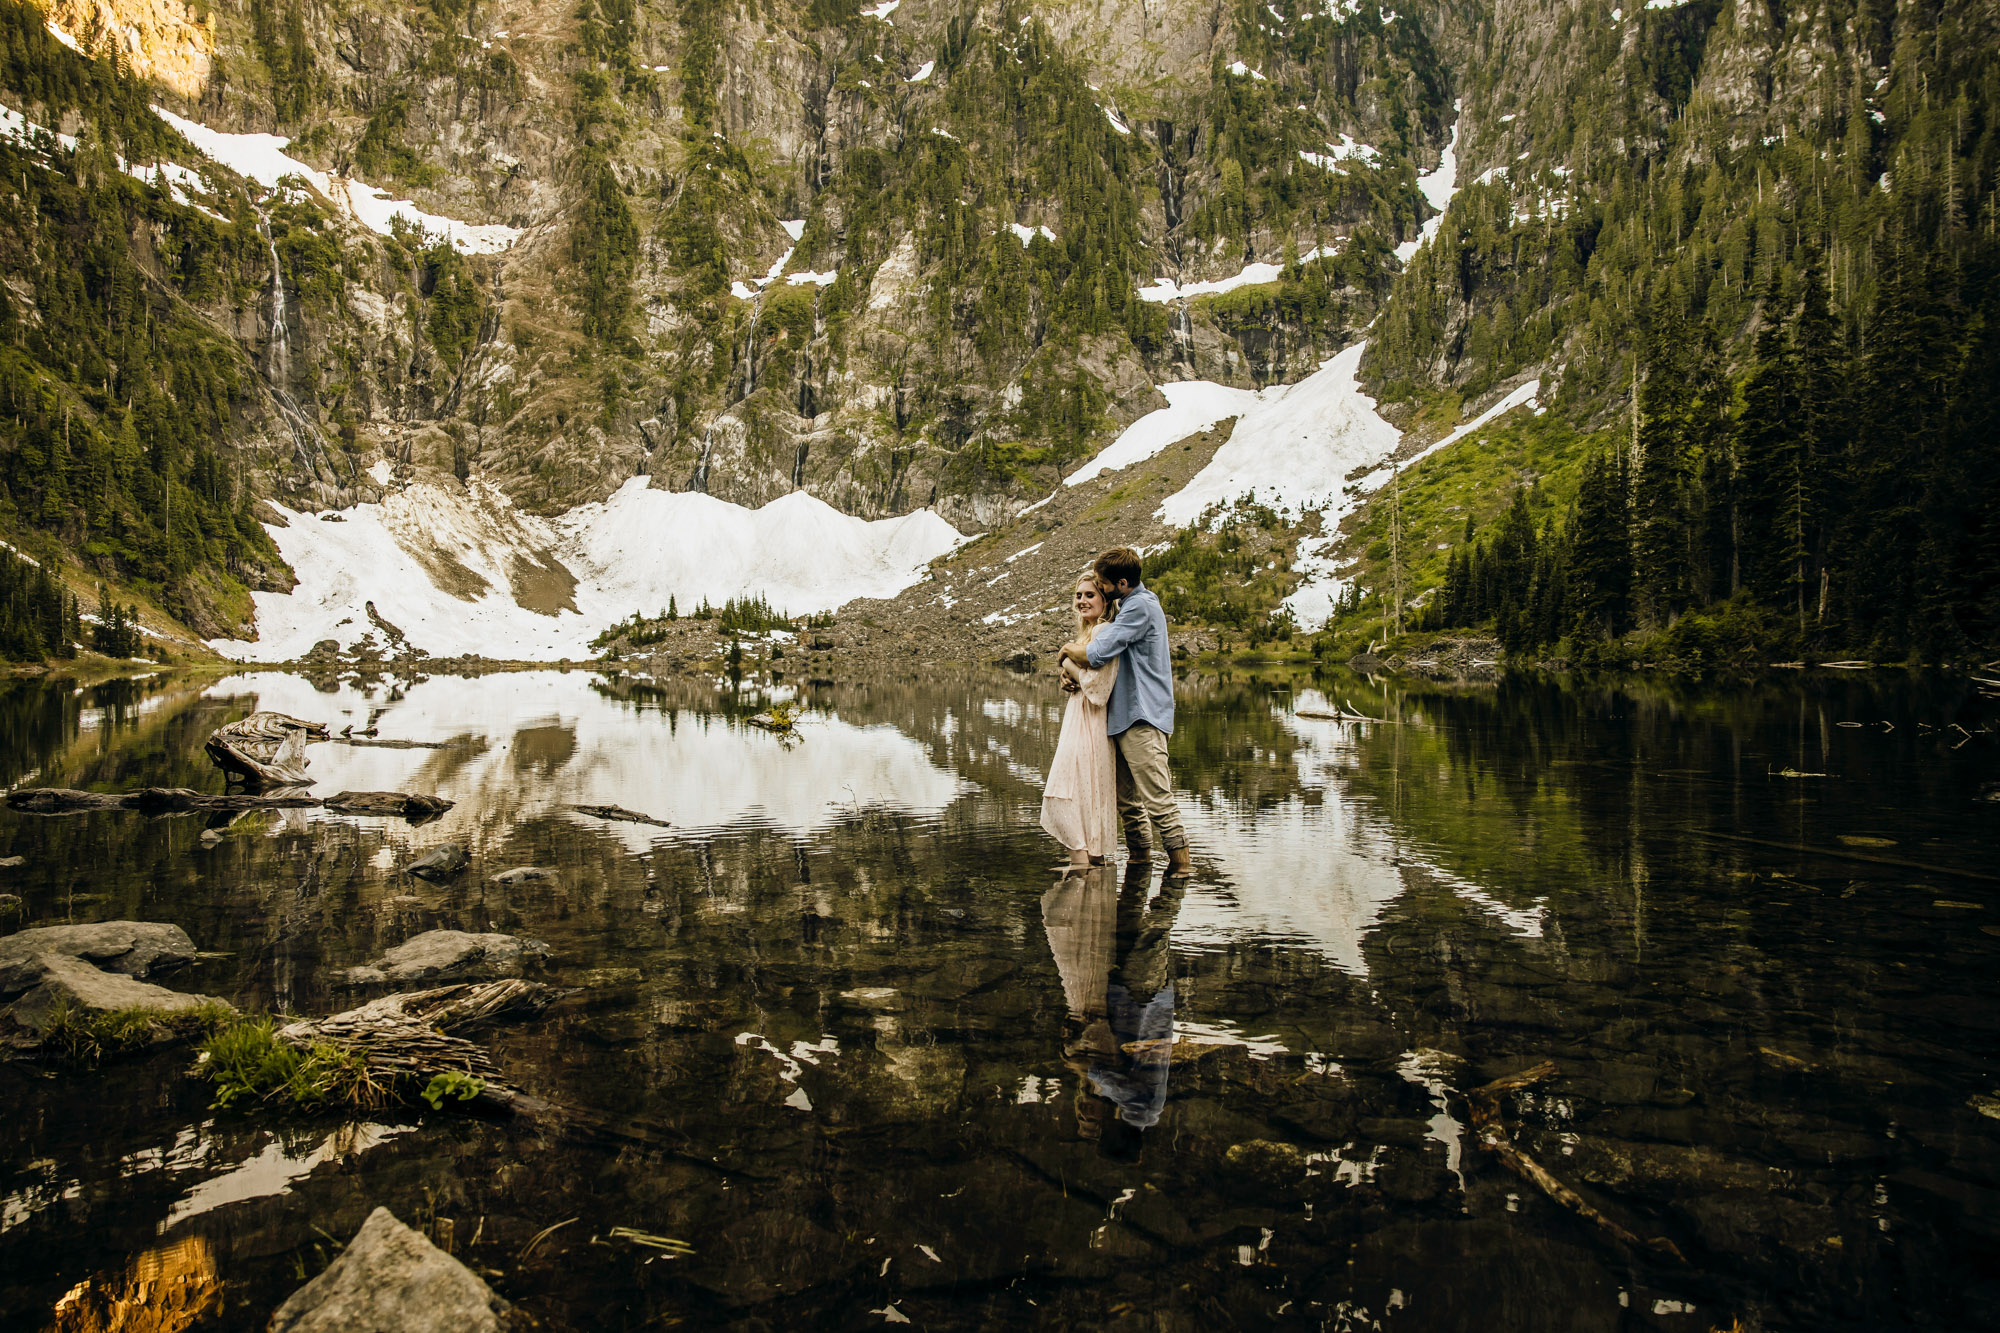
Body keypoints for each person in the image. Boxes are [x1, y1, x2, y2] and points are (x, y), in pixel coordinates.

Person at [1060, 547, 1192, 875]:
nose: (1100, 589)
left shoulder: (1140, 608)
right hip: (1121, 718)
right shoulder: (1127, 606)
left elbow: (1098, 652)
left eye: (1103, 584)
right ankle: (1140, 865)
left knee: (1158, 800)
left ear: (1120, 583)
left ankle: (1182, 873)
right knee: (1128, 804)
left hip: (1142, 716)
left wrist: (1065, 653)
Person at [1039, 573, 1120, 868]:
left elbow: (1098, 689)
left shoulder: (1104, 632)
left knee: (1064, 794)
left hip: (1091, 724)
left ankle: (1081, 865)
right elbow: (1084, 679)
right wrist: (1067, 673)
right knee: (1083, 795)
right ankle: (1090, 878)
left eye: (1089, 595)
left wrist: (1066, 661)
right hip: (1080, 719)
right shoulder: (1089, 635)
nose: (1082, 601)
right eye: (1078, 595)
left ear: (1104, 600)